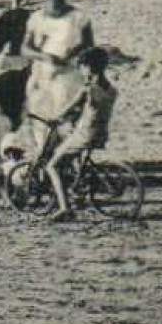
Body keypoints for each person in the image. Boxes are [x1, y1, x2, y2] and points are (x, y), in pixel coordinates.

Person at [43, 47, 117, 221]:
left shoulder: (88, 89)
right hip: (101, 133)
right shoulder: (112, 90)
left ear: (89, 67)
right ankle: (78, 190)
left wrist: (54, 118)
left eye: (83, 66)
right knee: (72, 158)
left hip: (84, 135)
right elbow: (93, 110)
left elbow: (68, 109)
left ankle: (64, 208)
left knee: (52, 166)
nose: (81, 70)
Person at [22, 0, 95, 130]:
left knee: (65, 118)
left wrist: (75, 53)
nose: (55, 1)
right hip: (42, 73)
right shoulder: (36, 18)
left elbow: (90, 46)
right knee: (40, 118)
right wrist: (44, 56)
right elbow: (25, 48)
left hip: (69, 74)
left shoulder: (79, 17)